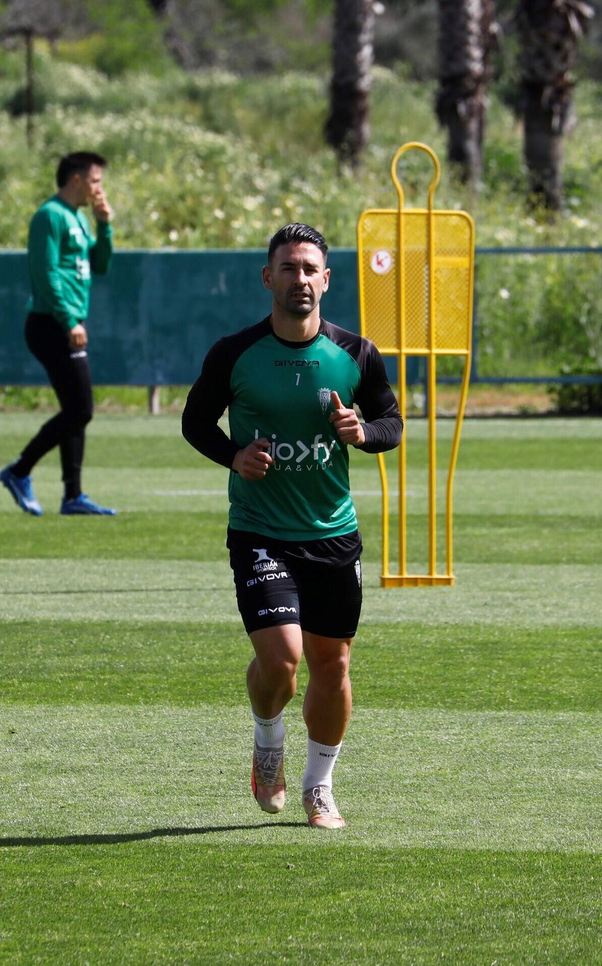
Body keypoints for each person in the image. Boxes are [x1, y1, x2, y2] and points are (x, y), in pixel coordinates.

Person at [181, 222, 402, 829]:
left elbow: (391, 424)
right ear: (267, 278)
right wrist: (234, 455)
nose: (300, 279)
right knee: (282, 660)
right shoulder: (235, 353)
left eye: (310, 269)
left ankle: (320, 784)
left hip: (333, 535)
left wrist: (364, 433)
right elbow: (195, 421)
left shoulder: (356, 353)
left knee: (333, 666)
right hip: (260, 530)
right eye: (289, 268)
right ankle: (267, 741)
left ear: (326, 280)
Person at [0, 151, 119, 516]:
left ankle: (73, 496)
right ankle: (19, 471)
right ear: (77, 179)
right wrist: (68, 320)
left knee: (76, 409)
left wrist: (105, 226)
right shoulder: (48, 216)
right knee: (81, 408)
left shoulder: (78, 218)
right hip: (51, 323)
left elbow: (99, 265)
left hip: (67, 323)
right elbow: (45, 273)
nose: (100, 188)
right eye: (96, 180)